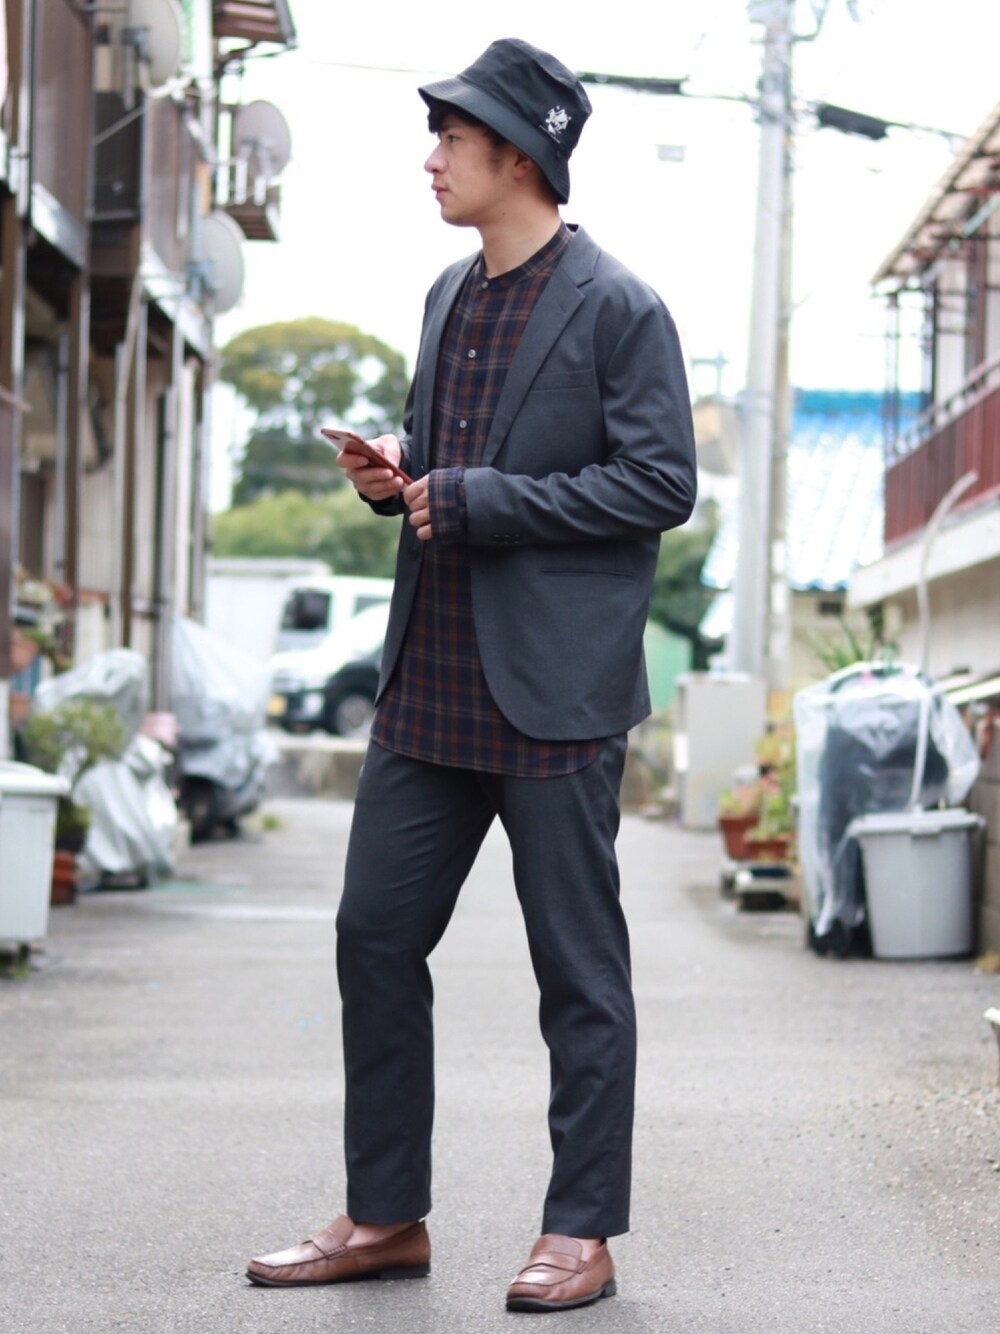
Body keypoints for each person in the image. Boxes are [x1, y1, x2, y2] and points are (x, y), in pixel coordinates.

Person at [246, 37, 697, 1314]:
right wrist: (394, 475)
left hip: (555, 694)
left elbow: (660, 482)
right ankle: (386, 1212)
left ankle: (580, 1230)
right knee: (373, 934)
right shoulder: (447, 293)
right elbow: (449, 454)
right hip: (428, 682)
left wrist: (481, 497)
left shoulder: (618, 306)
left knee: (577, 970)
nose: (431, 158)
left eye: (452, 137)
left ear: (521, 158)